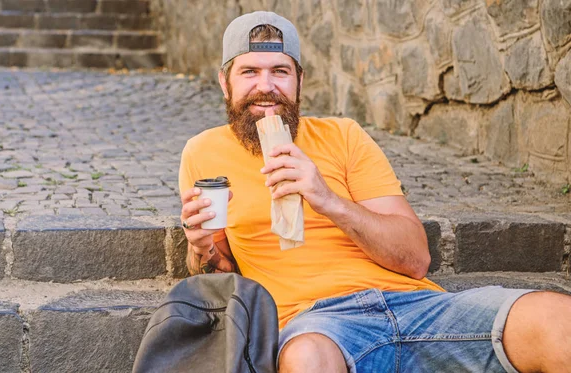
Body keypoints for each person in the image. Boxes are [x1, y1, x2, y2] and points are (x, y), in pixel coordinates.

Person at [178, 10, 571, 373]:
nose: (266, 87)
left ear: (300, 80)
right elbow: (220, 270)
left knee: (556, 318)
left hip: (416, 305)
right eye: (250, 72)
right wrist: (201, 249)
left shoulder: (344, 136)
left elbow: (415, 258)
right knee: (306, 358)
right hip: (314, 322)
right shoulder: (203, 152)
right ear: (224, 83)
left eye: (280, 71)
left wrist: (328, 199)